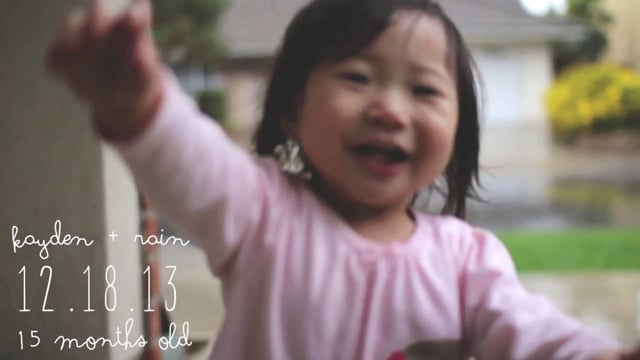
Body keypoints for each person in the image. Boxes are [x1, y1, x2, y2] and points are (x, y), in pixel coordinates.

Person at [47, 0, 640, 358]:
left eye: (425, 90)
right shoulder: (260, 212)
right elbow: (191, 161)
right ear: (291, 110)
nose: (390, 108)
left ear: (458, 132)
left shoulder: (466, 260)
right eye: (357, 77)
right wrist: (141, 106)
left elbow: (530, 332)